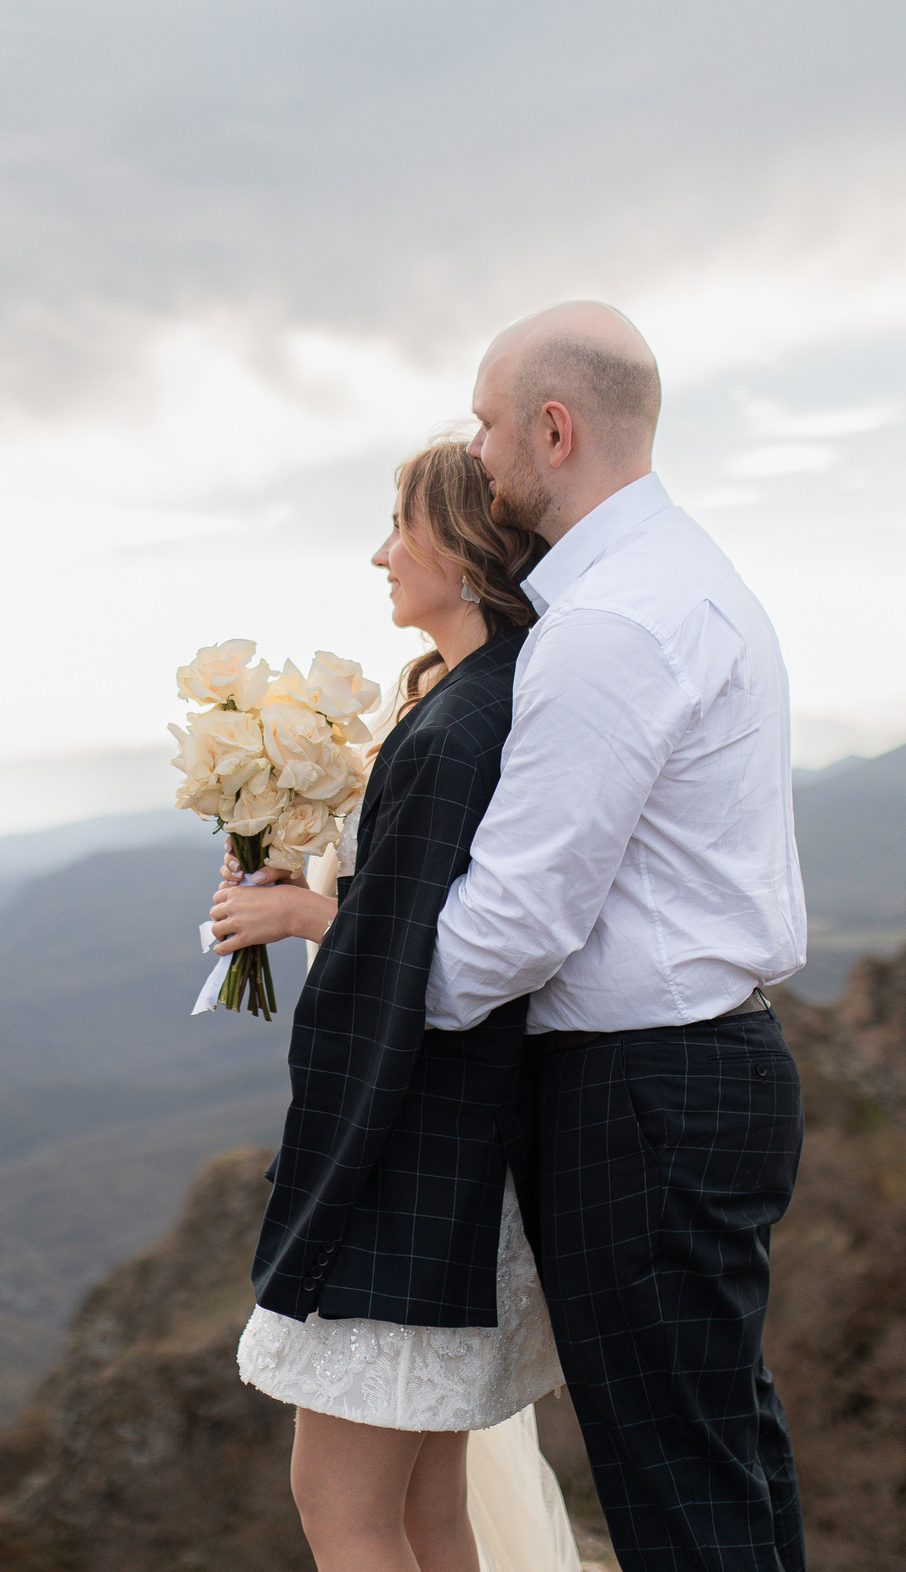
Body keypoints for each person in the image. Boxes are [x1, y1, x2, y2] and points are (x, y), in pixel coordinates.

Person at [432, 301, 810, 1572]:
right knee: (718, 1449)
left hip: (638, 1093)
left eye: (485, 425)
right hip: (703, 1070)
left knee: (676, 1483)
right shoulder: (686, 578)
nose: (474, 455)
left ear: (554, 427)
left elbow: (517, 918)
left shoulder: (607, 625)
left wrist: (365, 997)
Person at [208, 438, 581, 1572]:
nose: (380, 553)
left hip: (412, 1149)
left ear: (466, 550)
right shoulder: (488, 696)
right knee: (427, 1511)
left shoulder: (463, 722)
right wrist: (306, 883)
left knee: (341, 1504)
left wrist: (307, 922)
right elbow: (429, 904)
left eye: (400, 527)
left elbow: (445, 952)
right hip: (466, 1143)